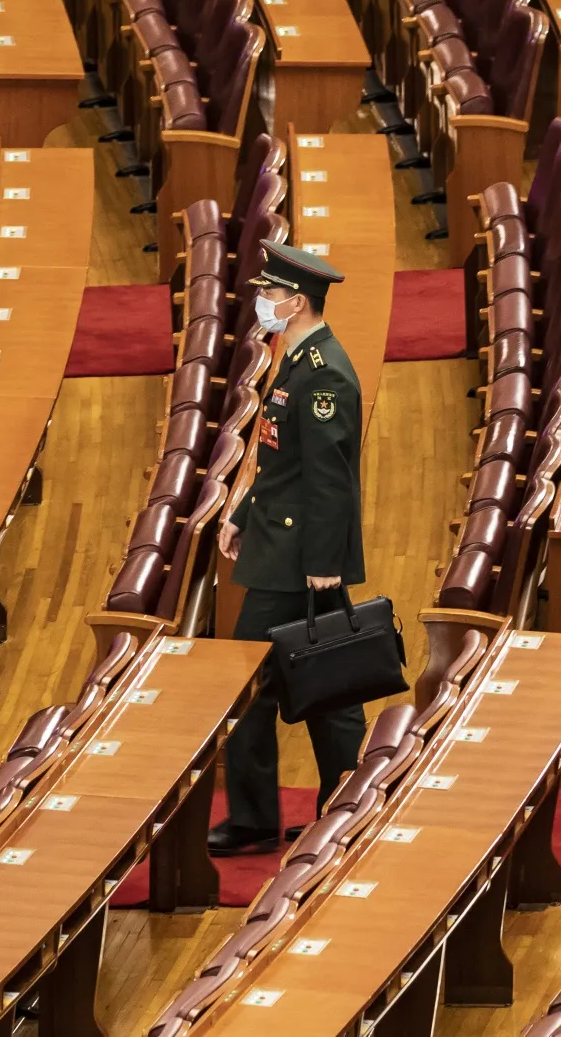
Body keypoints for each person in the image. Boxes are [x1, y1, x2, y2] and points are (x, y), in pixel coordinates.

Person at [207, 240, 366, 857]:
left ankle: (266, 820)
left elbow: (330, 480)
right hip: (283, 544)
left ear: (297, 301)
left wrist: (323, 566)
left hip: (300, 562)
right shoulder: (298, 359)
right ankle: (340, 812)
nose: (262, 304)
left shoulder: (325, 374)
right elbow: (282, 460)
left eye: (270, 294)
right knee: (328, 688)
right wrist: (243, 513)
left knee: (256, 685)